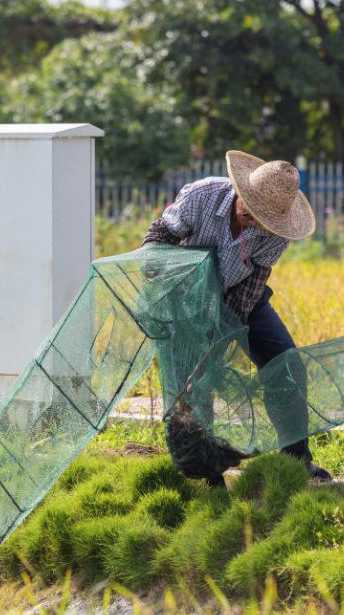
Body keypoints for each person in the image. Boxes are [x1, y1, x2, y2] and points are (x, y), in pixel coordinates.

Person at [142, 149, 333, 487]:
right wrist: (161, 278)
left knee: (286, 363)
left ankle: (295, 461)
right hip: (185, 301)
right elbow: (158, 238)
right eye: (251, 213)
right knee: (191, 386)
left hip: (240, 297)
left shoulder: (277, 232)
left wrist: (215, 348)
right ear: (240, 191)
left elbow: (247, 293)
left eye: (264, 220)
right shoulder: (201, 197)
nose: (255, 223)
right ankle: (208, 473)